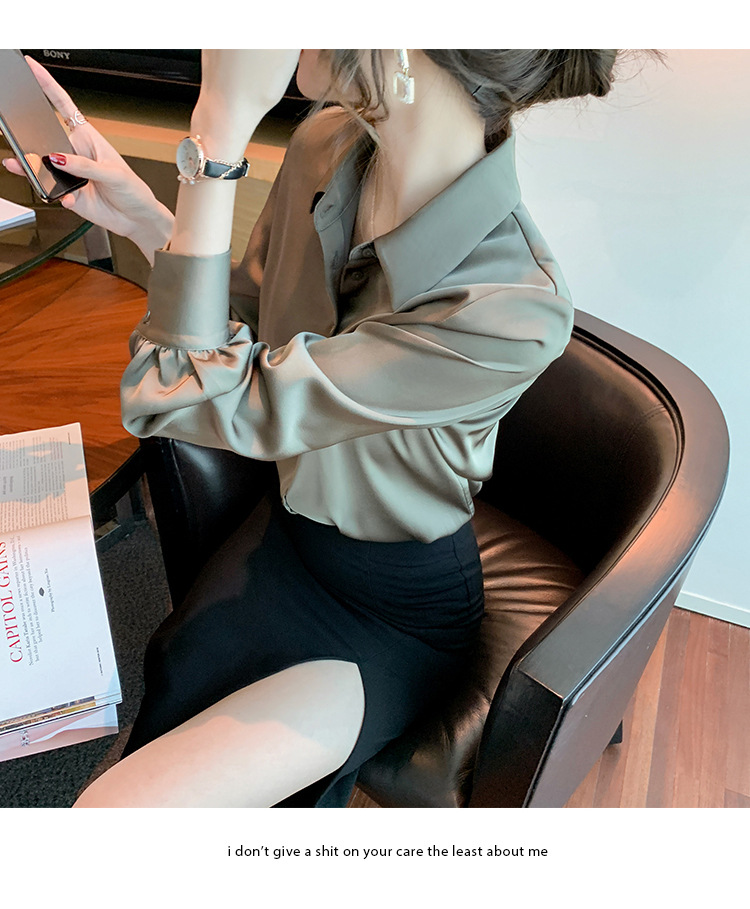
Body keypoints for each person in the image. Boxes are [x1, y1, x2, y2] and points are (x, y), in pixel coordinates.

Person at [4, 49, 620, 807]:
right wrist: (145, 216)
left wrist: (218, 136)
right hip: (285, 536)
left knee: (114, 814)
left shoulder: (510, 305)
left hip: (388, 609)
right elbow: (238, 334)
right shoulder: (327, 143)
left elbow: (183, 398)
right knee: (167, 712)